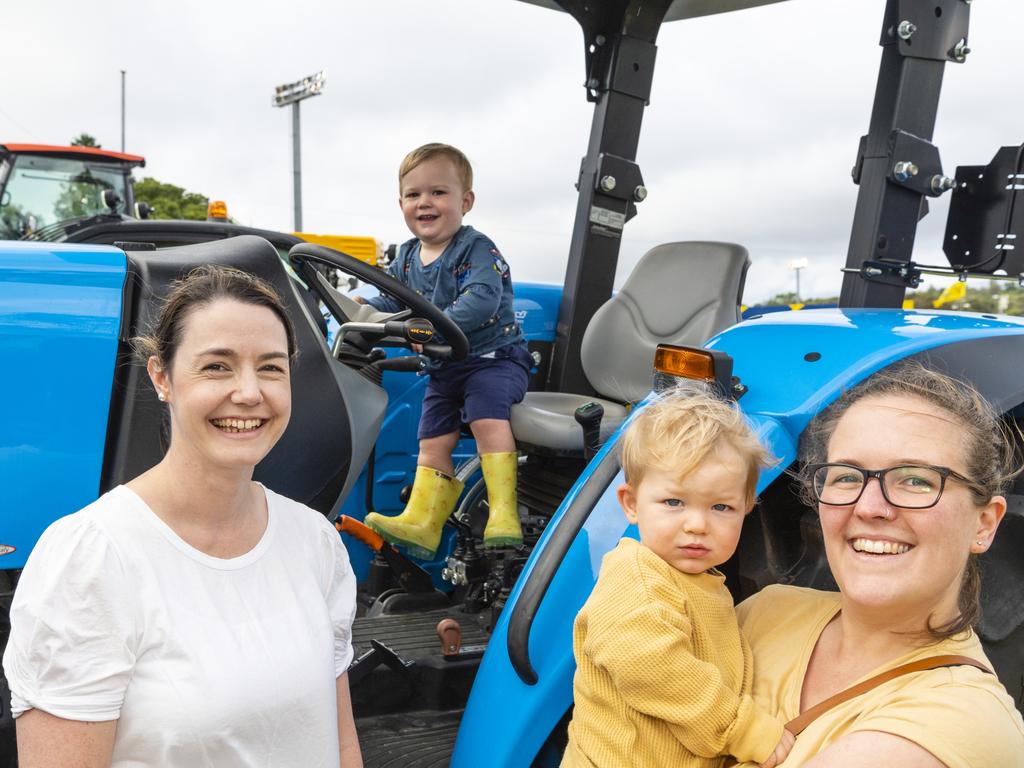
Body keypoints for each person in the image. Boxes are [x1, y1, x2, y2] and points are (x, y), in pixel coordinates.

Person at [3, 265, 363, 767]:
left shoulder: (314, 543)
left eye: (271, 367)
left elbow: (340, 744)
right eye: (217, 366)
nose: (249, 392)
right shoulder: (92, 559)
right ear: (161, 377)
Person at [736, 362, 1024, 766]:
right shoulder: (767, 612)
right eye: (846, 477)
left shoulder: (965, 720)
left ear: (984, 523)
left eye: (917, 480)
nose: (870, 507)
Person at [562, 390, 794, 768]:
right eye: (674, 502)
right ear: (632, 504)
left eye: (722, 507)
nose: (697, 525)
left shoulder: (697, 578)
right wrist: (745, 730)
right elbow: (657, 671)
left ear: (746, 509)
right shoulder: (636, 581)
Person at [359, 142, 533, 559]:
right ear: (400, 202)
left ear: (465, 201)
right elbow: (388, 301)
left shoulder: (476, 249)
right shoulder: (405, 257)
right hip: (445, 367)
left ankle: (503, 513)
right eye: (414, 194)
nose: (425, 202)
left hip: (493, 361)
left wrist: (429, 323)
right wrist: (357, 311)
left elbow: (482, 299)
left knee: (488, 420)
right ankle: (423, 523)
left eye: (438, 192)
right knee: (432, 441)